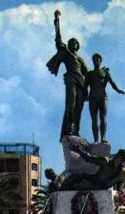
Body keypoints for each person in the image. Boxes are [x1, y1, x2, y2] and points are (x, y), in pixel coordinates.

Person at [47, 10, 88, 140]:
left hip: (81, 83)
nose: (73, 44)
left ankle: (76, 130)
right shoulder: (66, 53)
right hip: (70, 79)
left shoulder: (80, 59)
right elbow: (59, 39)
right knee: (71, 103)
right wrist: (57, 22)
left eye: (75, 43)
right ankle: (69, 129)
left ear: (78, 46)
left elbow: (88, 72)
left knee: (79, 107)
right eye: (71, 43)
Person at [85, 53, 125, 143]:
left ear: (101, 61)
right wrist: (85, 96)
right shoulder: (89, 74)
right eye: (95, 59)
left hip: (103, 97)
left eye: (98, 59)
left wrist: (118, 90)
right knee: (94, 119)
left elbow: (112, 83)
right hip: (92, 98)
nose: (96, 60)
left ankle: (103, 138)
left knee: (103, 117)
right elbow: (85, 86)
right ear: (93, 61)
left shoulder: (105, 73)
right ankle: (96, 140)